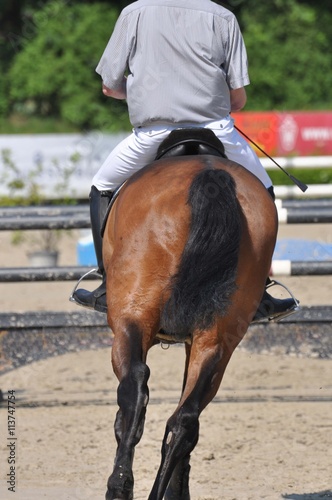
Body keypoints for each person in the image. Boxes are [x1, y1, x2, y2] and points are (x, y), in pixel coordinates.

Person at [71, 0, 298, 320]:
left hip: (153, 134)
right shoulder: (224, 17)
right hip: (216, 131)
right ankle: (260, 290)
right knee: (263, 190)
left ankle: (106, 284)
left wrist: (136, 92)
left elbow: (109, 86)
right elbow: (238, 99)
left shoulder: (133, 13)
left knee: (102, 186)